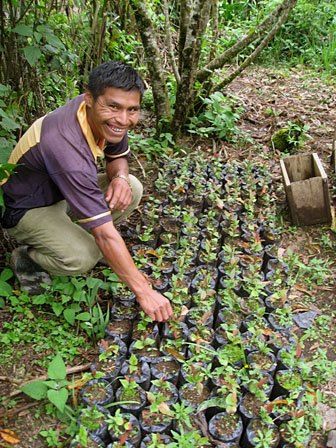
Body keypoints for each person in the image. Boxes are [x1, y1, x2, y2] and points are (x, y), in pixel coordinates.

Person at [0, 61, 173, 322]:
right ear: (90, 97)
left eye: (132, 110)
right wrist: (144, 291)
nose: (123, 119)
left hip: (62, 193)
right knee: (84, 257)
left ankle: (73, 235)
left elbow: (118, 158)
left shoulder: (108, 118)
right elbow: (104, 234)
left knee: (131, 188)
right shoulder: (65, 144)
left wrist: (121, 178)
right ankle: (28, 257)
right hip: (28, 207)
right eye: (114, 106)